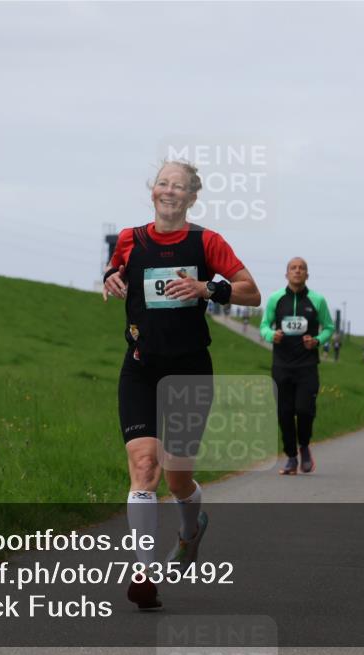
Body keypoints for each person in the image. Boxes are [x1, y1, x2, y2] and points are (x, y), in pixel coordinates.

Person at [103, 160, 261, 610]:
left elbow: (251, 291)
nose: (169, 191)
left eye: (180, 186)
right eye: (163, 183)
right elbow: (117, 271)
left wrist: (206, 289)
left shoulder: (206, 242)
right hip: (140, 367)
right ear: (152, 190)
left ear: (192, 197)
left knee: (178, 479)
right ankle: (146, 571)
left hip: (190, 371)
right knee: (144, 469)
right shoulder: (131, 239)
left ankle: (191, 532)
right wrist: (111, 279)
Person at [260, 257, 335, 475]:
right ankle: (291, 458)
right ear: (287, 274)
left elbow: (329, 327)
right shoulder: (276, 299)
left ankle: (304, 446)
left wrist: (317, 340)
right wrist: (270, 335)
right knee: (284, 413)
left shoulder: (317, 300)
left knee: (304, 410)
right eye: (293, 268)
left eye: (302, 268)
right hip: (281, 365)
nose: (297, 271)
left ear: (307, 275)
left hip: (307, 365)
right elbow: (264, 325)